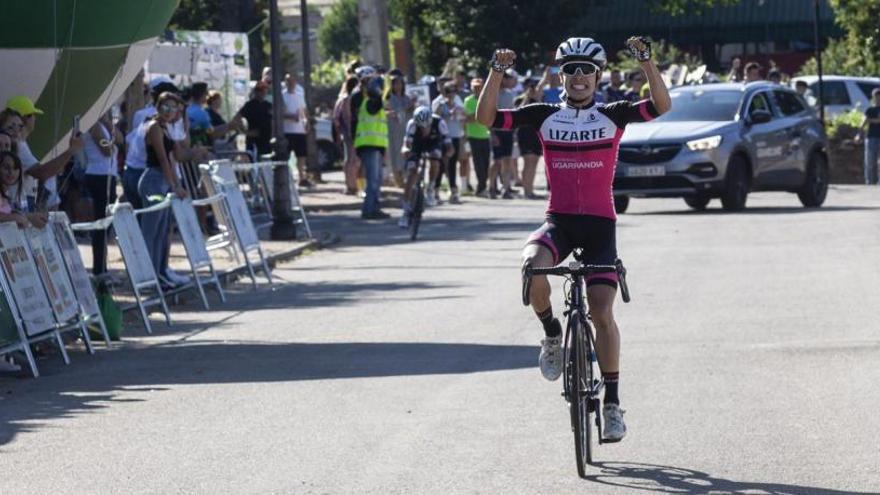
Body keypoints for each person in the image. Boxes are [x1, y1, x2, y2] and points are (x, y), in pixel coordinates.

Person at [476, 36, 671, 442]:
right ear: (560, 75)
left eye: (586, 70)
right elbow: (486, 117)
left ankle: (613, 403)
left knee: (601, 312)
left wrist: (647, 63)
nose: (578, 76)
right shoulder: (544, 113)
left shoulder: (613, 114)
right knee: (531, 267)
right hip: (560, 222)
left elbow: (660, 106)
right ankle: (551, 333)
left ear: (598, 76)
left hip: (600, 226)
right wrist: (496, 71)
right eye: (570, 69)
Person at [138, 92, 189, 289]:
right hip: (153, 180)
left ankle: (160, 272)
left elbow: (173, 158)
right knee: (150, 231)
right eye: (165, 107)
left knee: (162, 231)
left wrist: (176, 184)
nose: (169, 112)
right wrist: (174, 185)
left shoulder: (167, 128)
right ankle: (148, 276)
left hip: (164, 180)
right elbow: (161, 159)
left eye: (173, 108)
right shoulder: (154, 127)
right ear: (158, 107)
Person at [5, 96, 84, 211]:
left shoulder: (20, 144)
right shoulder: (19, 146)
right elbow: (42, 172)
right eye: (33, 115)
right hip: (18, 202)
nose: (35, 119)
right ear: (25, 118)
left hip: (20, 200)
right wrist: (71, 150)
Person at [398, 106, 453, 228]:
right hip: (417, 145)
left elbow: (449, 144)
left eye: (426, 127)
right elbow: (406, 144)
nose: (424, 129)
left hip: (433, 143)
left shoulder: (439, 122)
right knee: (412, 171)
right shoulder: (412, 124)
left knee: (435, 159)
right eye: (421, 127)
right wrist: (405, 150)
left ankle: (431, 188)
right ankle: (405, 210)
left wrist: (448, 152)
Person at [350, 65, 391, 220]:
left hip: (377, 143)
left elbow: (384, 96)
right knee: (373, 179)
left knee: (377, 178)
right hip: (368, 143)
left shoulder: (372, 99)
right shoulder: (363, 99)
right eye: (369, 80)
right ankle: (368, 210)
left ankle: (374, 207)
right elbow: (376, 102)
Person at [82, 112, 120, 275]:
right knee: (100, 224)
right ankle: (99, 269)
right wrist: (113, 144)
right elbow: (107, 150)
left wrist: (109, 123)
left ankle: (102, 266)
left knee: (106, 223)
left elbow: (120, 140)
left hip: (108, 175)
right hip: (98, 176)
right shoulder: (93, 125)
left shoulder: (104, 125)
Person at [432, 81, 466, 204]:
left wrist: (461, 114)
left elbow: (464, 117)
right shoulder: (439, 104)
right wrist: (445, 111)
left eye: (454, 91)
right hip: (443, 137)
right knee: (440, 165)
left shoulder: (458, 103)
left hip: (455, 136)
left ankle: (453, 191)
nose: (452, 94)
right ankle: (435, 190)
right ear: (445, 92)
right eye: (449, 92)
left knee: (452, 165)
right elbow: (435, 117)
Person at [489, 69, 518, 199]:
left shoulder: (510, 94)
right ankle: (491, 187)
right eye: (504, 78)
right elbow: (490, 115)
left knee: (507, 160)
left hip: (508, 131)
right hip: (497, 131)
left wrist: (514, 130)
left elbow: (512, 112)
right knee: (497, 162)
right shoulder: (492, 94)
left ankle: (505, 188)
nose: (506, 81)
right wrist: (493, 134)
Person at [514, 79, 543, 199]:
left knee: (534, 162)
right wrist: (527, 98)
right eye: (529, 86)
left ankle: (530, 189)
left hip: (536, 134)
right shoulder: (519, 99)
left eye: (534, 86)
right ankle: (526, 191)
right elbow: (518, 113)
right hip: (525, 133)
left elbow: (542, 113)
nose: (532, 89)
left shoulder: (538, 100)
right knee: (528, 162)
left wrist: (536, 98)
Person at [385, 73, 415, 188]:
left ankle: (407, 182)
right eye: (395, 84)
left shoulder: (406, 98)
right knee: (394, 158)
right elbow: (387, 111)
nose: (398, 86)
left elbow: (411, 114)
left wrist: (412, 107)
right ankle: (399, 183)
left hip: (404, 132)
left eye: (400, 84)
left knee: (405, 156)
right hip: (392, 132)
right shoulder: (388, 98)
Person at [463, 77, 492, 196]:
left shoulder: (486, 99)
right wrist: (481, 115)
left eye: (479, 87)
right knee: (478, 163)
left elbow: (489, 117)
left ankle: (482, 187)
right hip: (473, 135)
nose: (477, 89)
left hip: (485, 135)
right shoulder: (468, 100)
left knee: (485, 164)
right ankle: (481, 188)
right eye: (475, 87)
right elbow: (468, 119)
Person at [283, 73, 312, 188]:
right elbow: (279, 113)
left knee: (301, 155)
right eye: (289, 81)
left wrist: (307, 122)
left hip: (299, 130)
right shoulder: (282, 96)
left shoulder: (299, 95)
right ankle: (287, 177)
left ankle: (301, 177)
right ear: (285, 83)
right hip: (287, 130)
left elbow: (304, 110)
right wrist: (290, 117)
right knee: (286, 155)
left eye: (293, 81)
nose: (291, 84)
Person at [334, 76, 360, 195]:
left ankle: (350, 184)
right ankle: (352, 185)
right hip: (351, 132)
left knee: (348, 159)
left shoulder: (342, 99)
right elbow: (348, 117)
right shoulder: (348, 99)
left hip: (346, 132)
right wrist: (351, 131)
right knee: (352, 160)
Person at [240, 81, 273, 159]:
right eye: (260, 90)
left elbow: (274, 121)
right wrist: (245, 132)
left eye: (264, 90)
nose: (262, 92)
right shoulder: (249, 105)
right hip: (253, 141)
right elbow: (237, 119)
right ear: (256, 91)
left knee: (266, 163)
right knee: (254, 163)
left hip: (267, 140)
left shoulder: (268, 105)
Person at [857, 88, 880, 185]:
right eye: (876, 97)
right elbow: (864, 121)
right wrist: (859, 134)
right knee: (870, 162)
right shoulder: (870, 110)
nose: (878, 99)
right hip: (871, 137)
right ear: (873, 98)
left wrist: (871, 120)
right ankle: (869, 183)